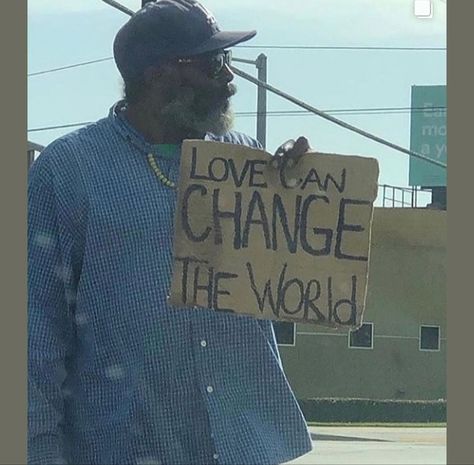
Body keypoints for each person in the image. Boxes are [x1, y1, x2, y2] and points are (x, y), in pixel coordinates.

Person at [28, 1, 312, 464]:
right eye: (215, 63)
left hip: (244, 448)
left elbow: (293, 285)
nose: (230, 79)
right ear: (159, 74)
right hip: (125, 448)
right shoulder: (70, 170)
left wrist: (297, 193)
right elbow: (32, 336)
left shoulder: (244, 161)